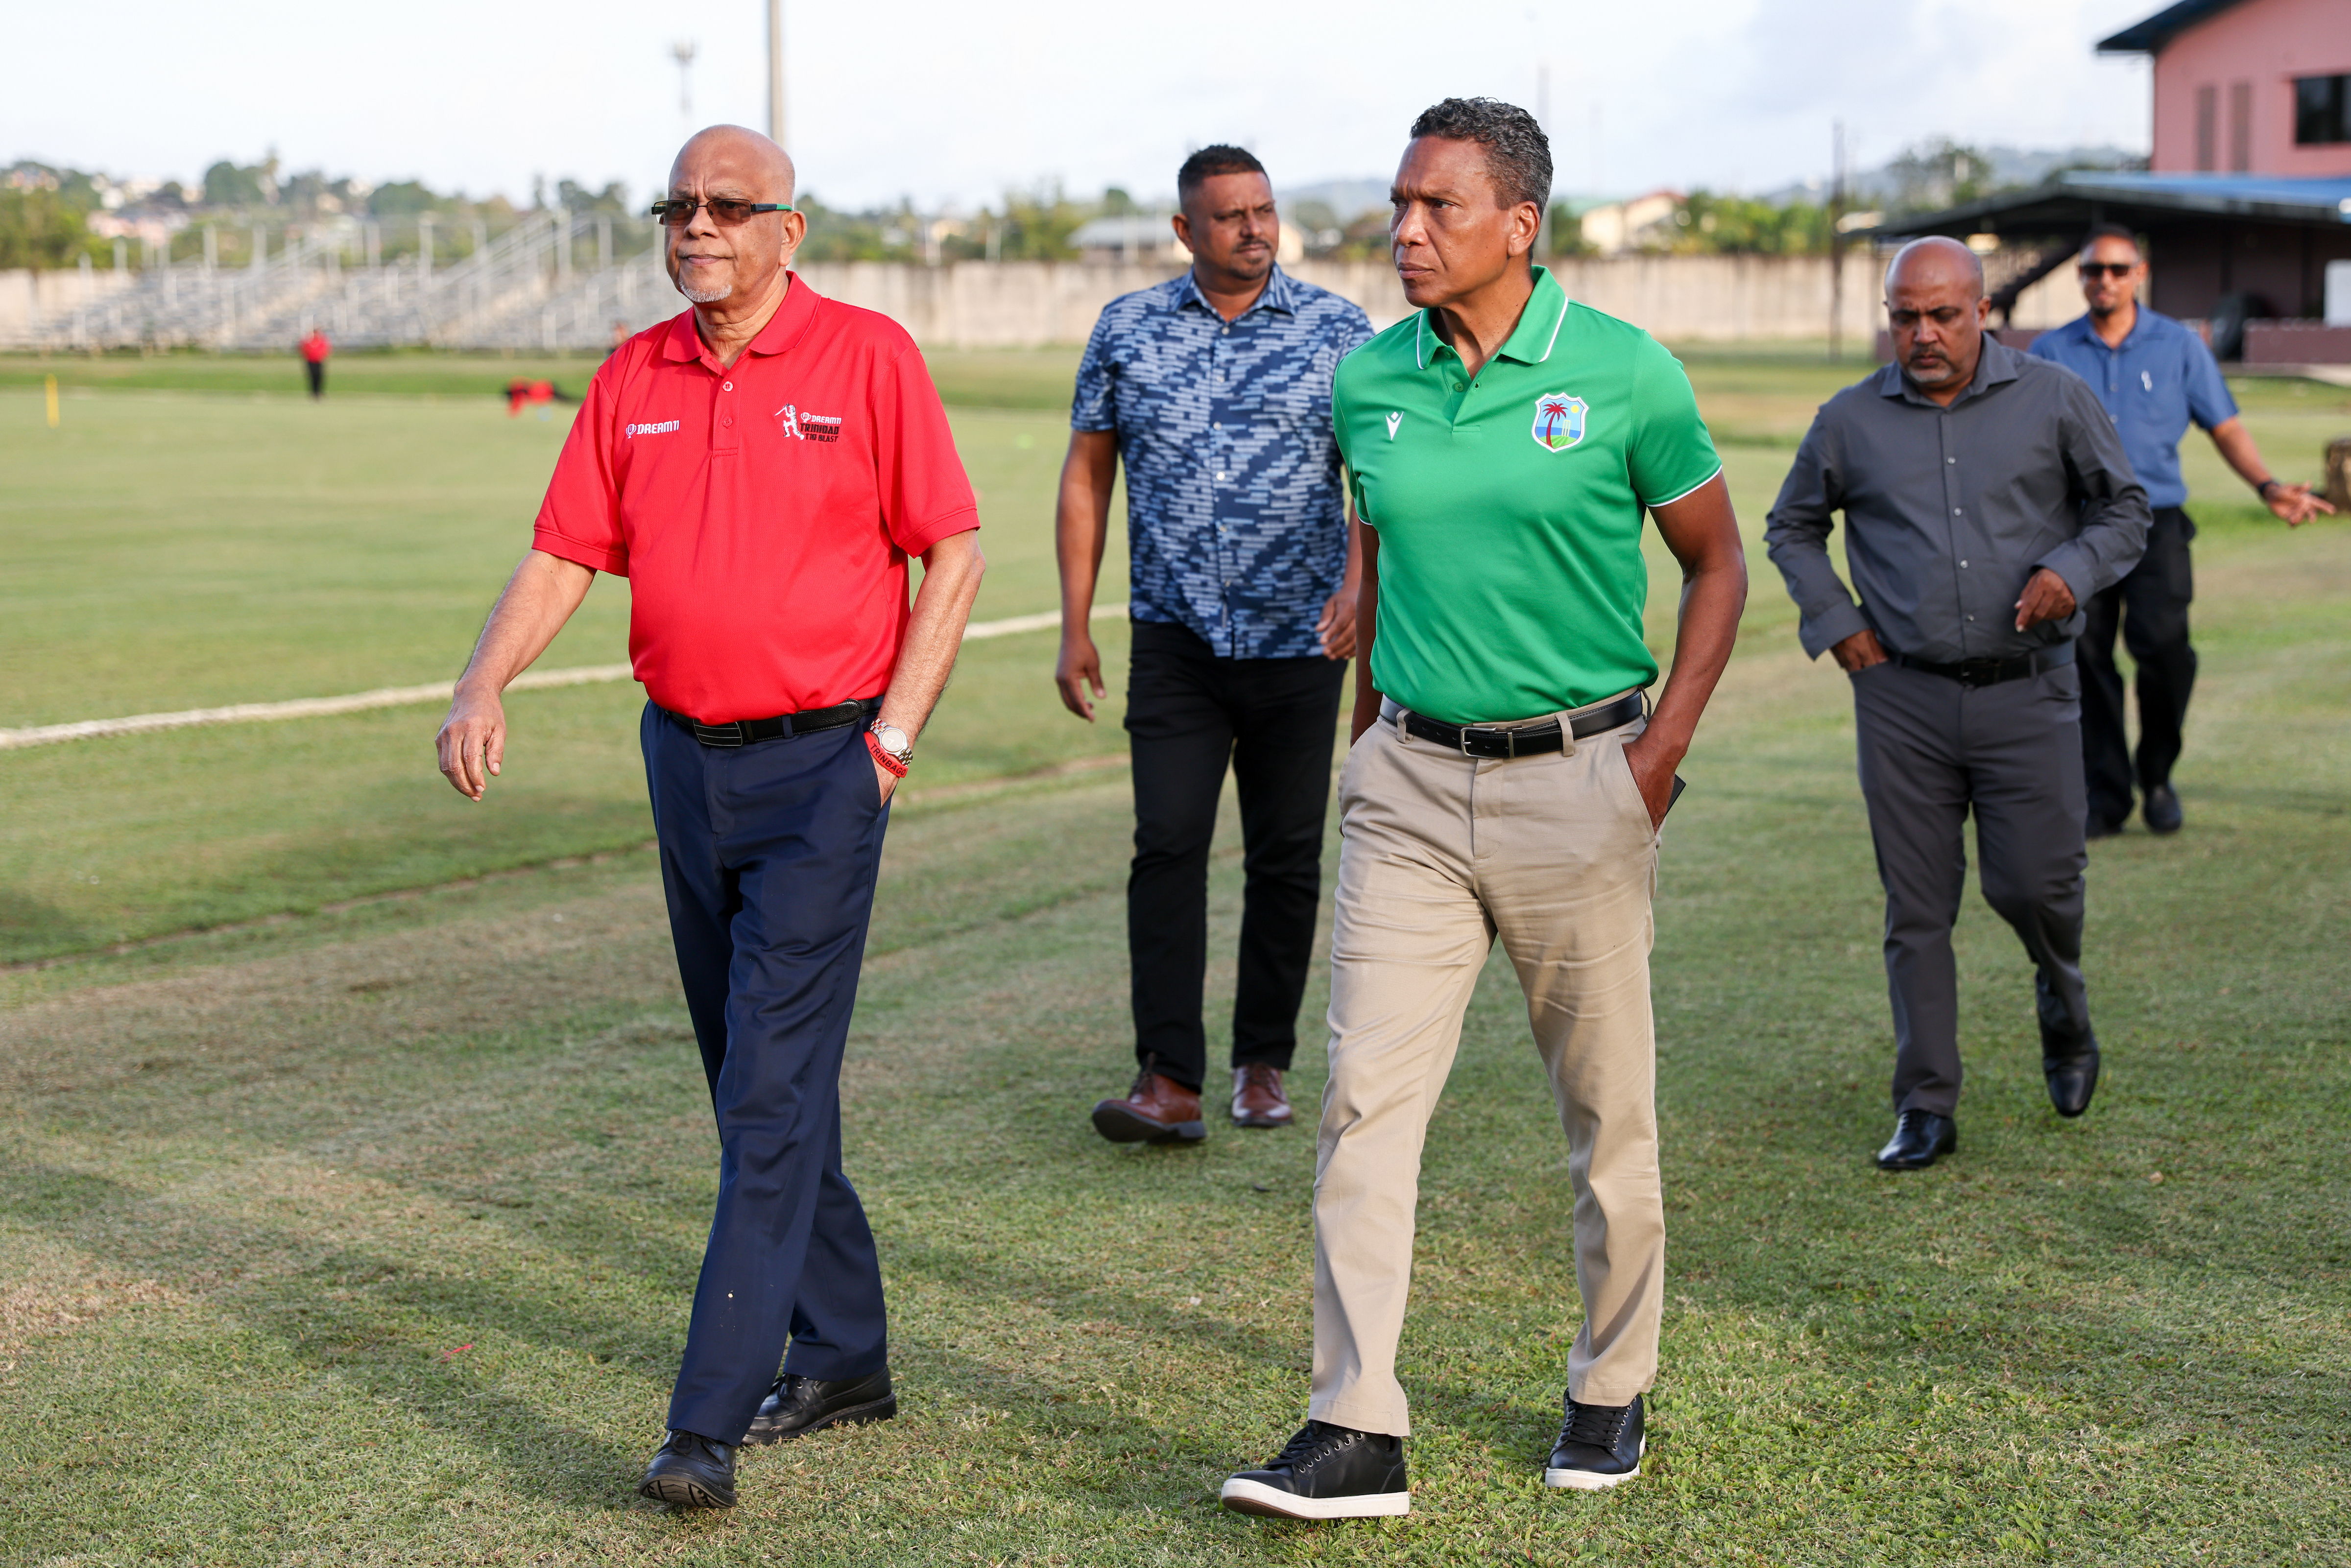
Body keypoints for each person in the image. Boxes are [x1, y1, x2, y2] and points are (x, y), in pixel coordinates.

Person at [433, 124, 985, 1510]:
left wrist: (892, 745)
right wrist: (482, 680)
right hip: (683, 762)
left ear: (789, 228)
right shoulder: (635, 374)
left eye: (730, 208)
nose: (698, 229)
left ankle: (704, 1421)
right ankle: (847, 1351)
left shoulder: (869, 360)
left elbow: (955, 546)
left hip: (824, 772)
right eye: (678, 206)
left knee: (767, 1092)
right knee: (756, 1077)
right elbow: (569, 548)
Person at [1220, 98, 1747, 1520]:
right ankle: (1354, 1421)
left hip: (1581, 781)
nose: (1403, 230)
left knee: (1604, 1110)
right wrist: (1363, 750)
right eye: (1397, 203)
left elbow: (1715, 564)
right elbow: (1377, 564)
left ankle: (1609, 1379)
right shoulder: (1367, 381)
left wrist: (1655, 757)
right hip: (1403, 786)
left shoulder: (1622, 374)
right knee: (1360, 1105)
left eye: (1437, 207)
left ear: (1519, 223)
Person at [1765, 237, 2151, 1174]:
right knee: (1917, 907)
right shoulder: (1850, 420)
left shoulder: (2055, 398)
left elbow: (2125, 510)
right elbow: (1793, 527)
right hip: (1902, 697)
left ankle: (2061, 991)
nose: (1924, 333)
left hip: (2030, 690)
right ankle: (1927, 1102)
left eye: (1943, 314)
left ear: (1984, 311)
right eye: (1906, 317)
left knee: (2034, 887)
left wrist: (2071, 568)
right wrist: (1835, 619)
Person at [1059, 145, 1373, 1144]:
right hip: (1176, 641)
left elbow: (1380, 473)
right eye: (1230, 217)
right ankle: (1169, 1078)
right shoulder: (1129, 330)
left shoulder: (1339, 330)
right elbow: (1086, 474)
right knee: (1168, 846)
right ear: (1186, 230)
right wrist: (1075, 620)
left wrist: (1363, 586)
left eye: (1265, 212)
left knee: (1284, 856)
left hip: (1299, 645)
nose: (1254, 231)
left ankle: (1264, 1064)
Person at [2028, 223, 2334, 837]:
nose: (2105, 280)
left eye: (2118, 269)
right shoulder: (2050, 352)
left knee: (2166, 655)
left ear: (2139, 274)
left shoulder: (2178, 347)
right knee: (2085, 661)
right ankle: (2106, 793)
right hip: (2078, 526)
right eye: (2093, 270)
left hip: (2153, 523)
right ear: (2081, 277)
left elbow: (2224, 427)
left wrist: (2268, 487)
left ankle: (2158, 775)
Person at [299, 326, 330, 399]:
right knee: (312, 377)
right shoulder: (309, 341)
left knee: (319, 377)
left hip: (319, 361)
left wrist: (323, 357)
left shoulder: (322, 341)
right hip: (310, 361)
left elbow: (326, 351)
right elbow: (303, 349)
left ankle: (319, 392)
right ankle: (313, 393)